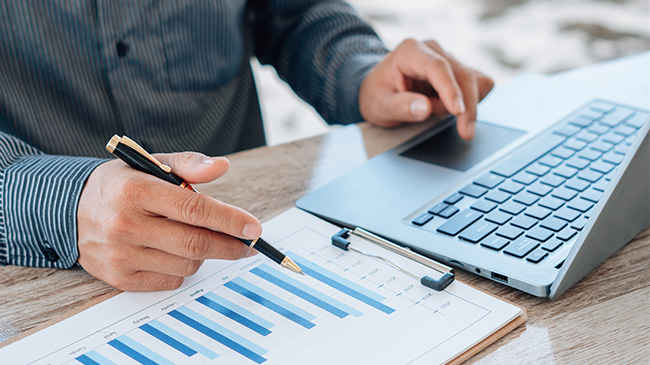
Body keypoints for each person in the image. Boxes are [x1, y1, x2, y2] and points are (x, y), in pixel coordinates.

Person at [0, 1, 493, 291]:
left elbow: (292, 13)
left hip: (244, 238)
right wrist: (61, 203)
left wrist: (359, 73)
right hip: (42, 276)